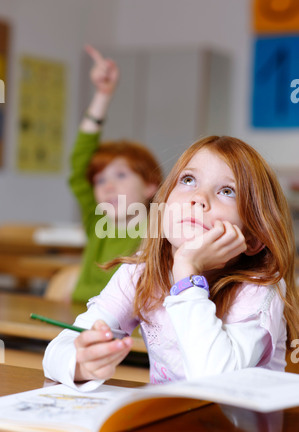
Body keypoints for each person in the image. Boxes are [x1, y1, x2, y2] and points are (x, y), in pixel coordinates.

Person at [43, 135, 299, 390]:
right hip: (170, 424)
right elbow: (57, 351)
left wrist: (187, 272)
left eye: (227, 191)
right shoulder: (138, 275)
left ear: (253, 238)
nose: (198, 197)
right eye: (188, 180)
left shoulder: (259, 289)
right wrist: (80, 362)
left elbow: (216, 382)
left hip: (242, 428)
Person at [69, 45, 162, 303]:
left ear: (150, 186)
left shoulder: (157, 230)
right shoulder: (97, 222)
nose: (107, 186)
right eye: (100, 180)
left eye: (120, 175)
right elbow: (80, 164)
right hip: (77, 326)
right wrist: (102, 94)